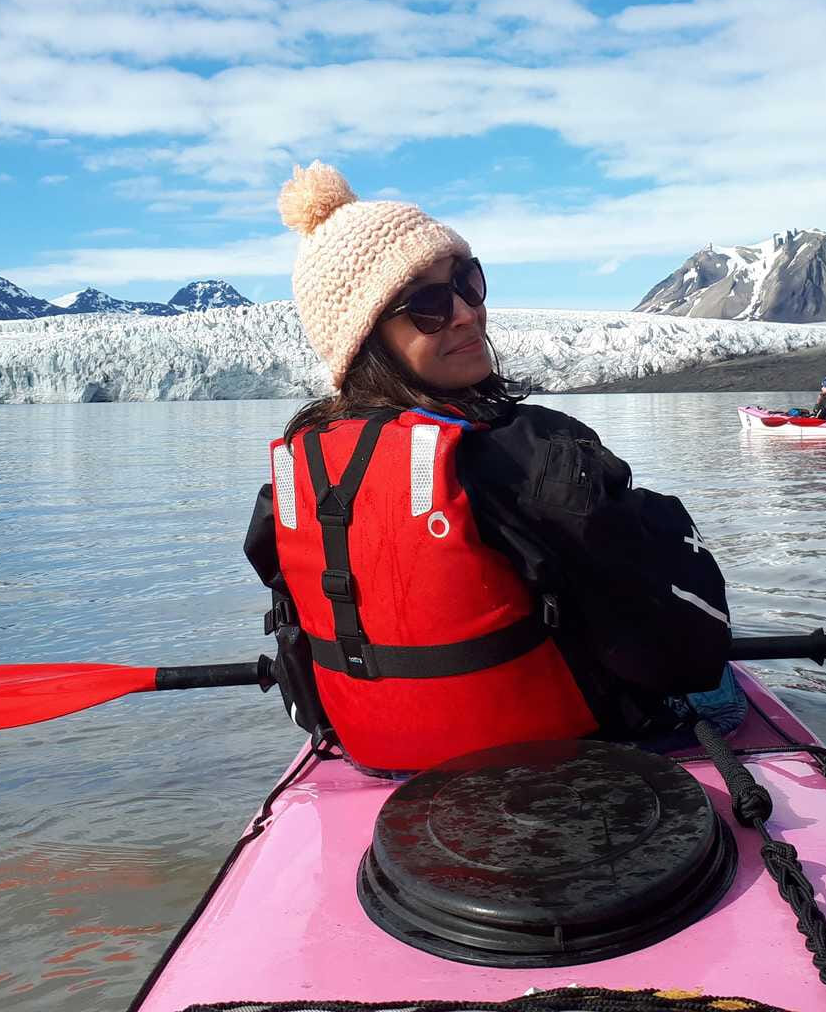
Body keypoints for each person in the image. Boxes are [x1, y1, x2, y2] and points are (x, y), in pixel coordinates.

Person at [245, 161, 736, 775]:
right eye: (425, 305)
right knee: (721, 686)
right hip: (557, 757)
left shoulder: (299, 475)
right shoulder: (528, 454)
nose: (463, 312)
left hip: (380, 759)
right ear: (365, 338)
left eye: (466, 282)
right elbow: (688, 649)